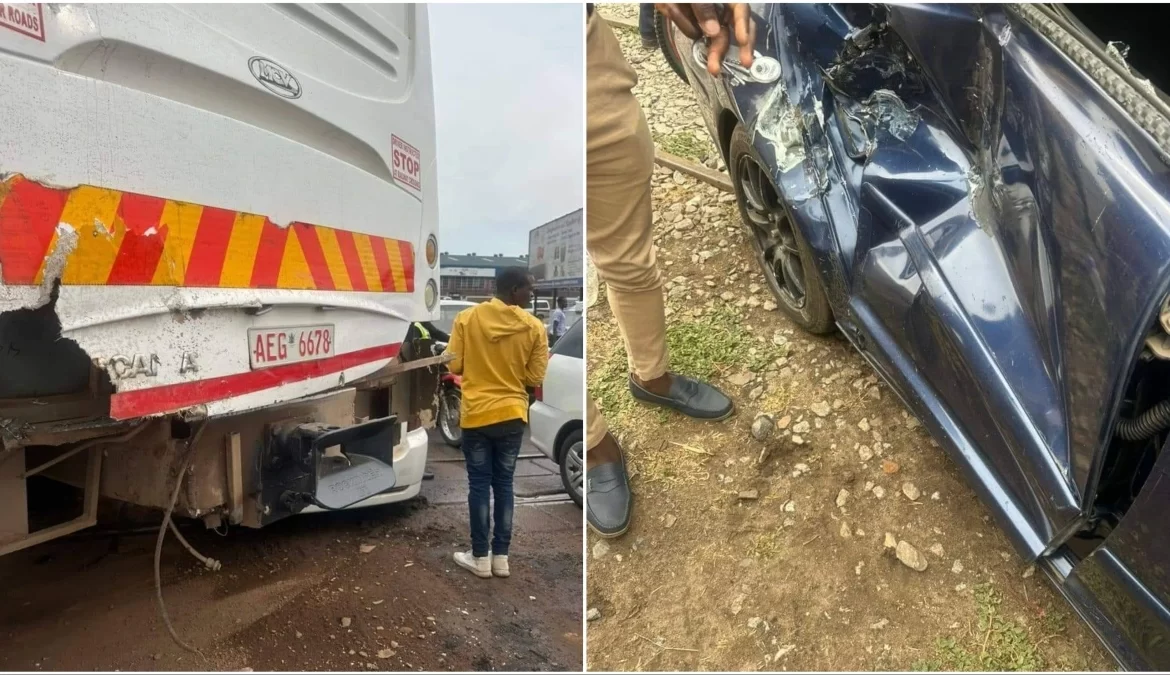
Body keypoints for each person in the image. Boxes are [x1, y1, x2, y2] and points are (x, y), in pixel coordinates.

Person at [585, 4, 755, 538]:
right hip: (493, 92)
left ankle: (651, 377)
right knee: (535, 291)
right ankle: (592, 443)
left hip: (585, 73)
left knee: (630, 260)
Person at [445, 267, 548, 578]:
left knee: (479, 485)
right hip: (512, 415)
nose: (532, 294)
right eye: (529, 288)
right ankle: (501, 557)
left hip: (476, 415)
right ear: (514, 289)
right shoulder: (534, 328)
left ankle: (479, 558)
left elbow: (455, 363)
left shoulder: (467, 319)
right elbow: (534, 377)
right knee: (504, 486)